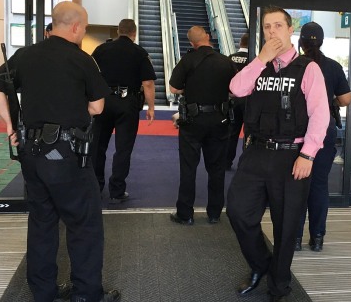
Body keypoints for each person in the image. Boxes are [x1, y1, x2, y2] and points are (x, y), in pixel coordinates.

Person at [0, 1, 120, 302]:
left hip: (30, 153)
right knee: (83, 223)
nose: (83, 32)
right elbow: (98, 107)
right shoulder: (81, 60)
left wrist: (9, 123)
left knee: (42, 221)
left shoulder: (25, 55)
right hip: (67, 155)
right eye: (84, 27)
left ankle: (43, 295)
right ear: (75, 27)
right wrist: (73, 111)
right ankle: (86, 295)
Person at [226, 6, 328, 302]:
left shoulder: (307, 68)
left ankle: (279, 286)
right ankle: (261, 265)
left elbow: (320, 115)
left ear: (289, 30)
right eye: (267, 27)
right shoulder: (257, 68)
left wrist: (308, 154)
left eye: (278, 26)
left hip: (291, 157)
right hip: (256, 154)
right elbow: (235, 89)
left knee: (286, 226)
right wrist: (260, 59)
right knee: (239, 212)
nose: (272, 32)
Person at [169, 26, 236, 225]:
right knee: (216, 169)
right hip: (219, 120)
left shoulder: (188, 60)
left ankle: (185, 214)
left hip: (192, 121)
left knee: (188, 168)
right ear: (207, 37)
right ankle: (214, 213)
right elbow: (236, 89)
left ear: (191, 42)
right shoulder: (226, 61)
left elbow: (174, 87)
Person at [294, 22, 351, 252]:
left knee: (297, 186)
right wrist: (330, 103)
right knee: (319, 185)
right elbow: (346, 99)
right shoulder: (333, 67)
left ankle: (295, 239)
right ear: (322, 41)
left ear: (301, 43)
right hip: (324, 131)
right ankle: (317, 238)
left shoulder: (295, 65)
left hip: (298, 132)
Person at [91, 19, 157, 204]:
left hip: (103, 101)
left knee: (98, 147)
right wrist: (151, 107)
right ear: (134, 33)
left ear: (118, 31)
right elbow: (148, 83)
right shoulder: (139, 53)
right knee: (123, 149)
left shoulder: (101, 50)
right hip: (127, 103)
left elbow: (89, 75)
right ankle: (117, 190)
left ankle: (96, 187)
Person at [226, 33, 250, 170]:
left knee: (232, 131)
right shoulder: (254, 58)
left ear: (240, 43)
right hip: (248, 100)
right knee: (249, 132)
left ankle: (226, 161)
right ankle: (245, 163)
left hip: (233, 99)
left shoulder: (230, 58)